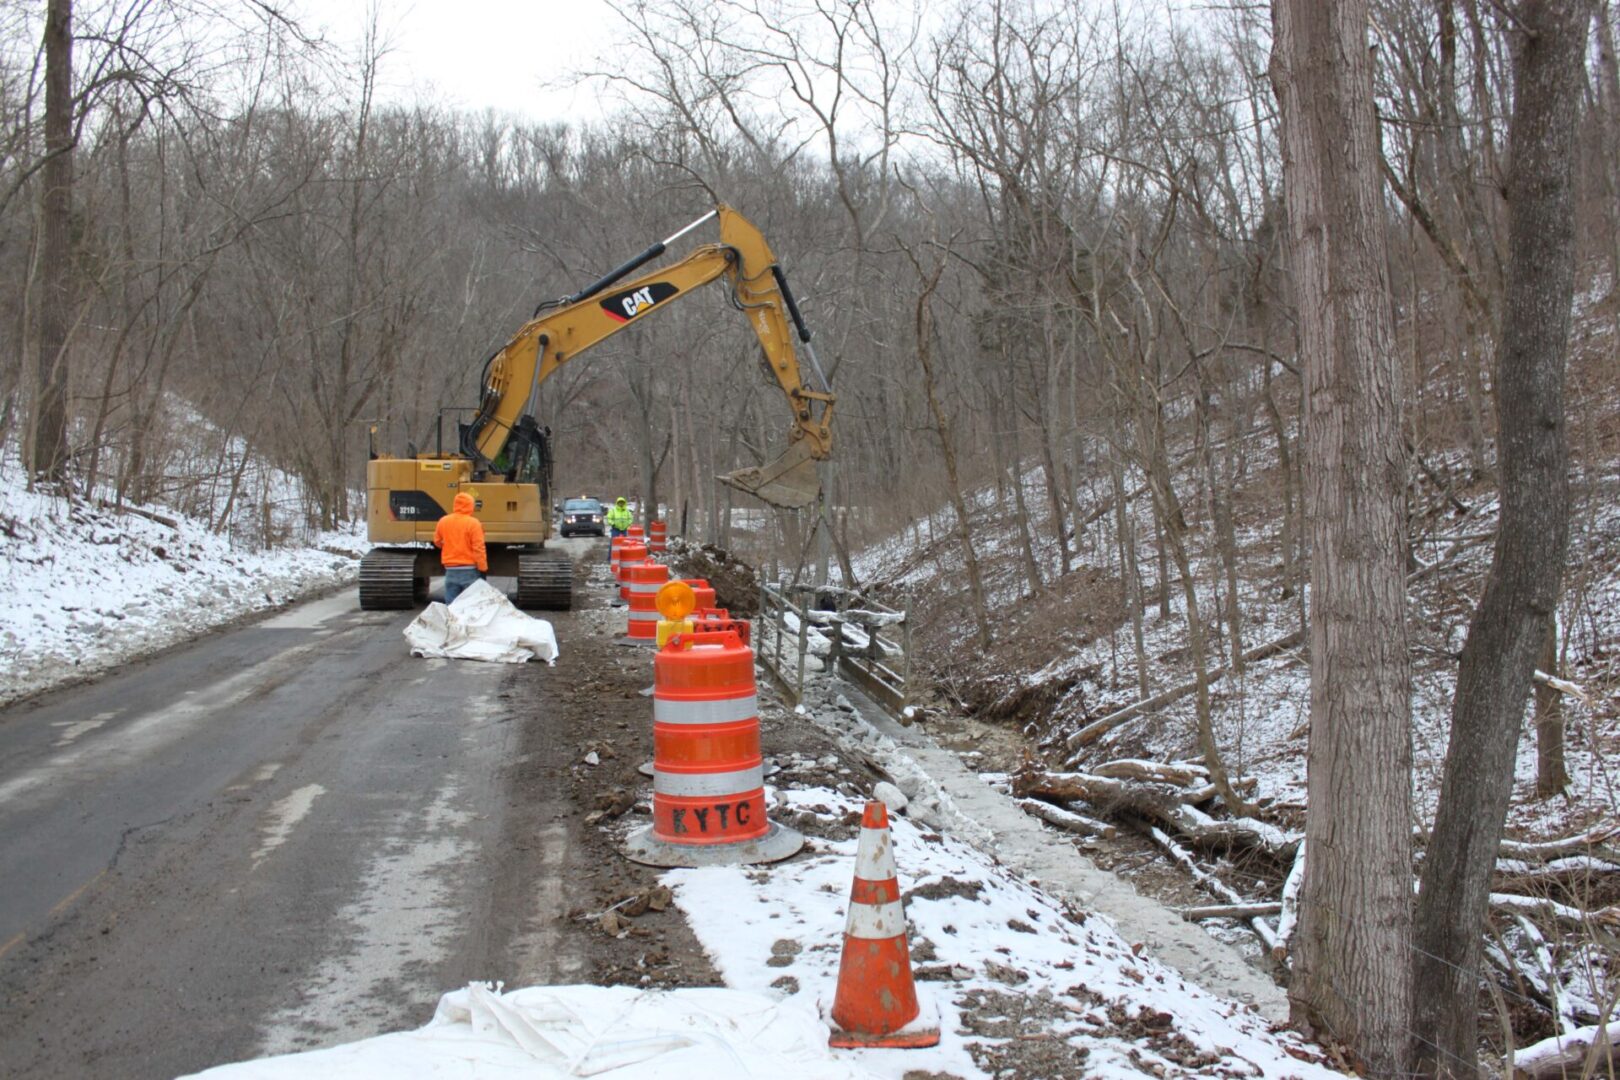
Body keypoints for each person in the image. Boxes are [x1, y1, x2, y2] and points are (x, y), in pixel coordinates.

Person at [433, 491, 488, 604]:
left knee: (451, 604)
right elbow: (478, 548)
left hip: (450, 570)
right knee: (470, 604)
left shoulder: (443, 521)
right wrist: (483, 568)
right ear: (470, 506)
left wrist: (449, 546)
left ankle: (452, 621)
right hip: (470, 570)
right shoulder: (474, 523)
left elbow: (437, 542)